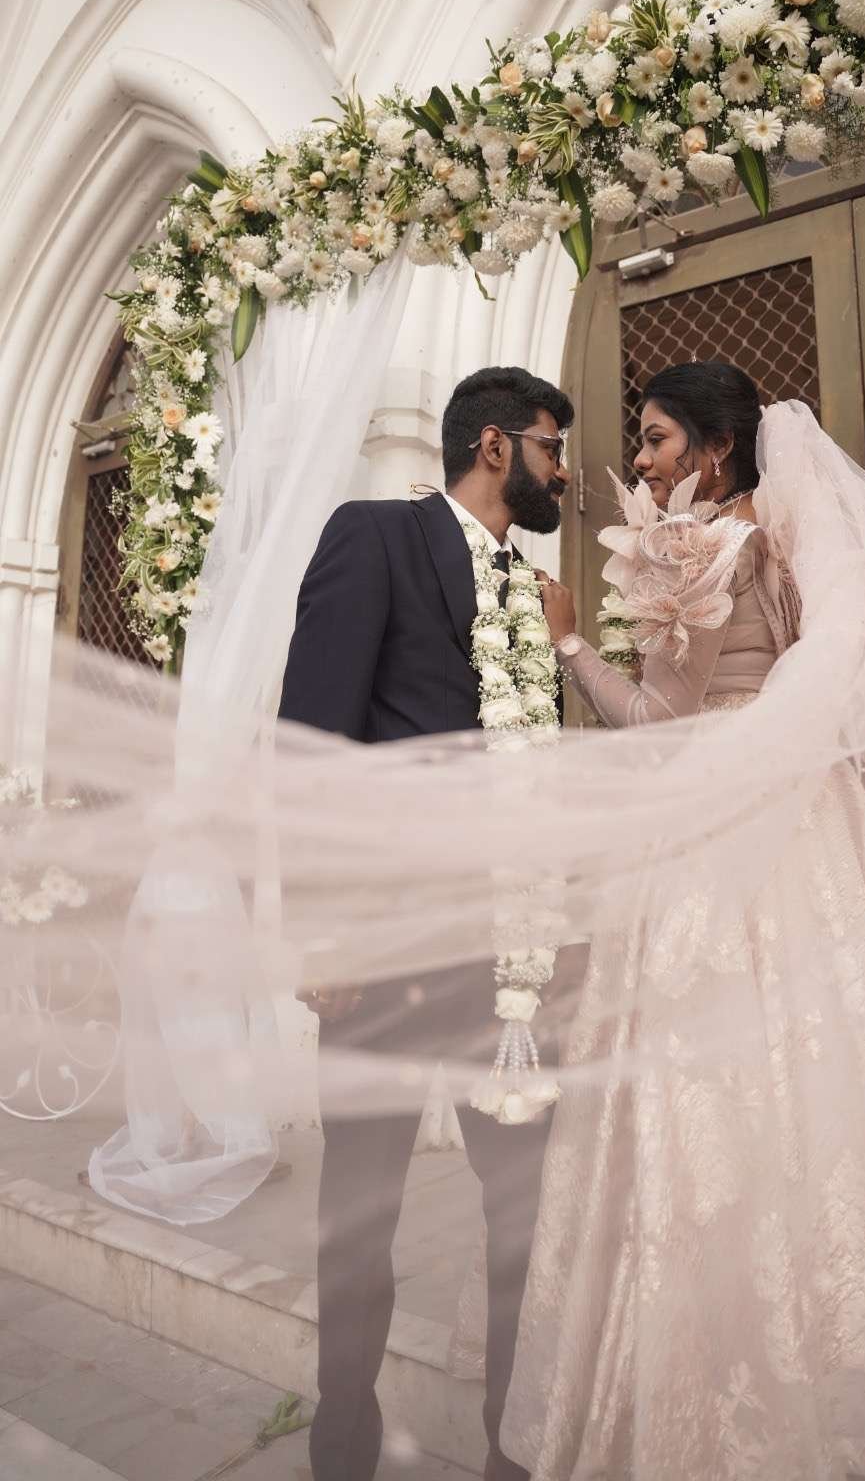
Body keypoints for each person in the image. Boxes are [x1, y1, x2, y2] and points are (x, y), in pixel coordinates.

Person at [499, 362, 865, 1480]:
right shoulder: (798, 542)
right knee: (834, 1067)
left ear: (715, 448)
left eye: (657, 438)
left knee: (711, 1071)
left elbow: (656, 717)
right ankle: (862, 1360)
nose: (643, 460)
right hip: (813, 826)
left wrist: (570, 645)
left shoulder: (702, 546)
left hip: (718, 829)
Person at [279, 365, 573, 1481]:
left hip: (509, 969)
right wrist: (322, 930)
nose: (562, 475)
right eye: (551, 448)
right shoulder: (376, 537)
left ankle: (510, 1453)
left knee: (523, 1221)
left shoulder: (538, 594)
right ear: (496, 447)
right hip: (387, 954)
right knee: (359, 1217)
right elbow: (312, 741)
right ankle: (341, 1446)